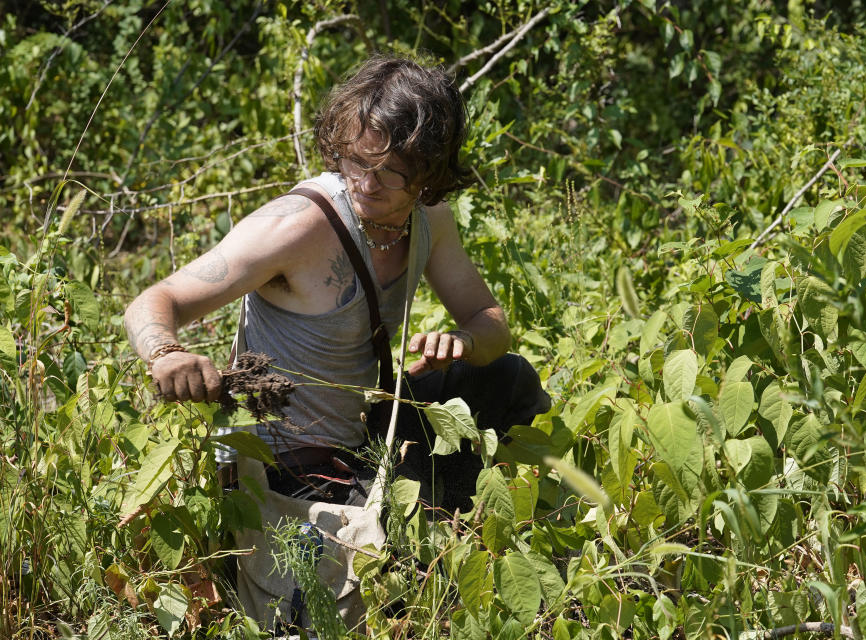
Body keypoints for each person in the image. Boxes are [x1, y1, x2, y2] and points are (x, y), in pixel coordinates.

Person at [124, 54, 550, 512]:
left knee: (509, 380)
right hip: (283, 460)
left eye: (389, 171)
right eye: (356, 161)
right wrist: (167, 354)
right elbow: (155, 299)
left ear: (429, 170)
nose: (366, 183)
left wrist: (463, 341)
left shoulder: (431, 222)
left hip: (365, 429)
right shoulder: (298, 224)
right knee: (400, 533)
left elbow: (492, 325)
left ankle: (484, 513)